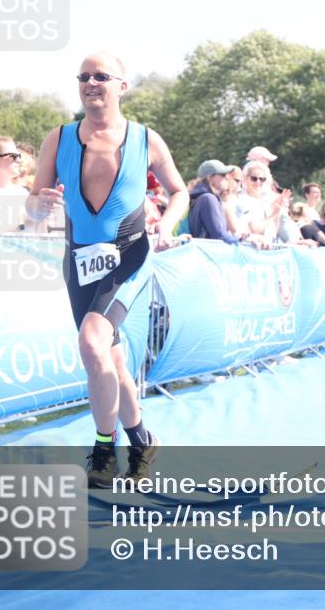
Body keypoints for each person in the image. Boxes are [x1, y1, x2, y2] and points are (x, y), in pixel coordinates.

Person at [25, 52, 189, 488]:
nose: (91, 83)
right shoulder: (57, 139)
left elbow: (180, 193)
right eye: (84, 77)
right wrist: (37, 204)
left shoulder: (145, 139)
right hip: (78, 261)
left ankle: (103, 451)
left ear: (122, 86)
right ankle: (141, 439)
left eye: (101, 76)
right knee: (109, 359)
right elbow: (32, 201)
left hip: (129, 257)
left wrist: (167, 223)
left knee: (92, 341)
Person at [189, 160, 245, 243]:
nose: (227, 177)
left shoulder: (203, 197)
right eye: (223, 174)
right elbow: (220, 235)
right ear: (209, 178)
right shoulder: (208, 199)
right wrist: (240, 239)